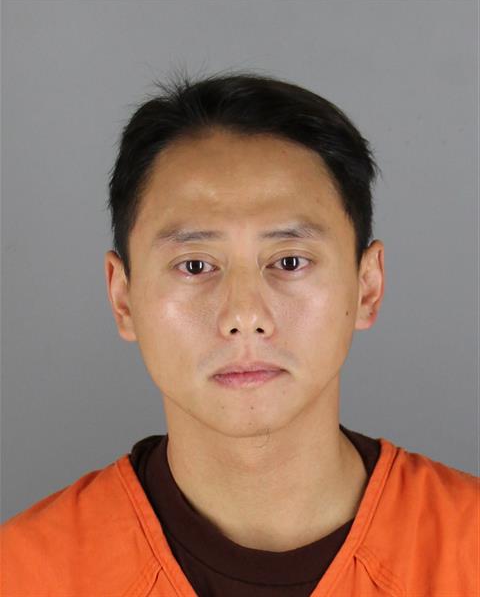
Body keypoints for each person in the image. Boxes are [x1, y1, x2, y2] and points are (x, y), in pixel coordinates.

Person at [2, 69, 478, 597]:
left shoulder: (469, 549)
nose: (244, 314)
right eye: (194, 265)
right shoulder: (22, 573)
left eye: (290, 261)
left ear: (367, 286)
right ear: (123, 298)